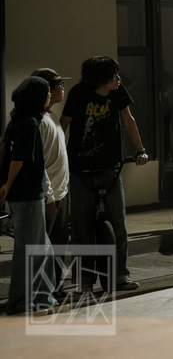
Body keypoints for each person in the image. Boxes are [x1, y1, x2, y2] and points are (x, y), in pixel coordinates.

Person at [61, 56, 148, 292]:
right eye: (114, 75)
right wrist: (59, 160)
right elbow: (63, 124)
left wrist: (140, 150)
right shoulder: (78, 93)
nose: (118, 79)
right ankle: (84, 280)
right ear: (101, 79)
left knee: (119, 224)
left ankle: (120, 275)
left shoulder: (117, 92)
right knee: (81, 227)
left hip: (111, 168)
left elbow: (128, 120)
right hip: (80, 170)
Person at [0, 77, 58, 315]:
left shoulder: (16, 121)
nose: (49, 96)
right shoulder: (31, 124)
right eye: (46, 93)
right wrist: (8, 184)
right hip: (27, 195)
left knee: (43, 248)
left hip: (25, 194)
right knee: (30, 250)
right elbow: (19, 159)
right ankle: (21, 303)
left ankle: (43, 298)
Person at [32, 68, 71, 245]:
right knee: (41, 247)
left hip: (59, 192)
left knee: (59, 245)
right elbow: (37, 163)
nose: (62, 88)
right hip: (49, 197)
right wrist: (49, 196)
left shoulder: (51, 116)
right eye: (59, 84)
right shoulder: (39, 122)